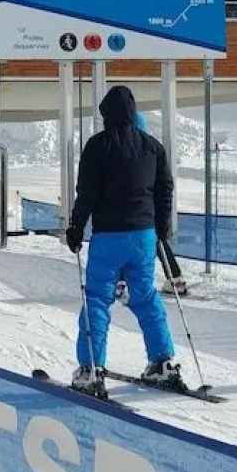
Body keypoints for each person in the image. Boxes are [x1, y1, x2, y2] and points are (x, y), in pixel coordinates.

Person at [64, 85, 183, 397]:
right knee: (145, 297)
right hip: (143, 236)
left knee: (97, 300)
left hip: (109, 236)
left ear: (106, 114)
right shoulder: (153, 147)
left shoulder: (97, 146)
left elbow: (86, 191)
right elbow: (165, 189)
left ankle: (91, 367)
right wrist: (161, 227)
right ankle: (163, 361)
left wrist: (76, 227)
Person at [115, 110, 186, 303]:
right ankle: (175, 278)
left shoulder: (119, 149)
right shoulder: (153, 149)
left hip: (129, 211)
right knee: (157, 241)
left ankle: (119, 281)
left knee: (124, 242)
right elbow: (165, 183)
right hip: (151, 209)